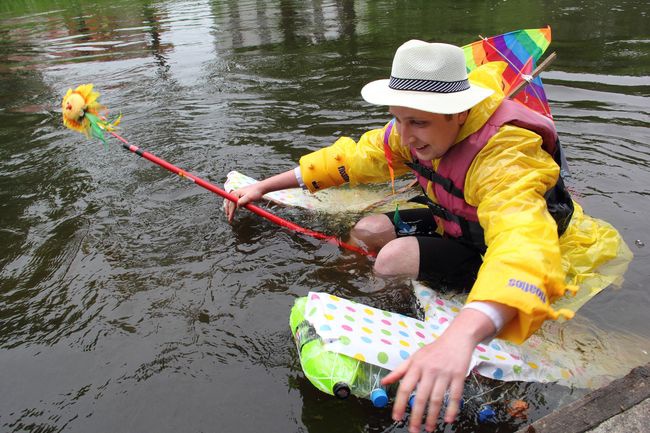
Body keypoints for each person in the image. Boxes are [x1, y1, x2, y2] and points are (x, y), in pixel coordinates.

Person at [224, 40, 631, 432]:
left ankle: (415, 310)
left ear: (459, 114)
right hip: (452, 220)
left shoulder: (505, 156)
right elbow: (351, 159)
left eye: (418, 122)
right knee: (367, 230)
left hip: (491, 245)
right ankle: (387, 285)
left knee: (391, 259)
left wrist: (459, 338)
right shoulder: (411, 132)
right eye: (398, 118)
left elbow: (521, 242)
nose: (405, 136)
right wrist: (265, 186)